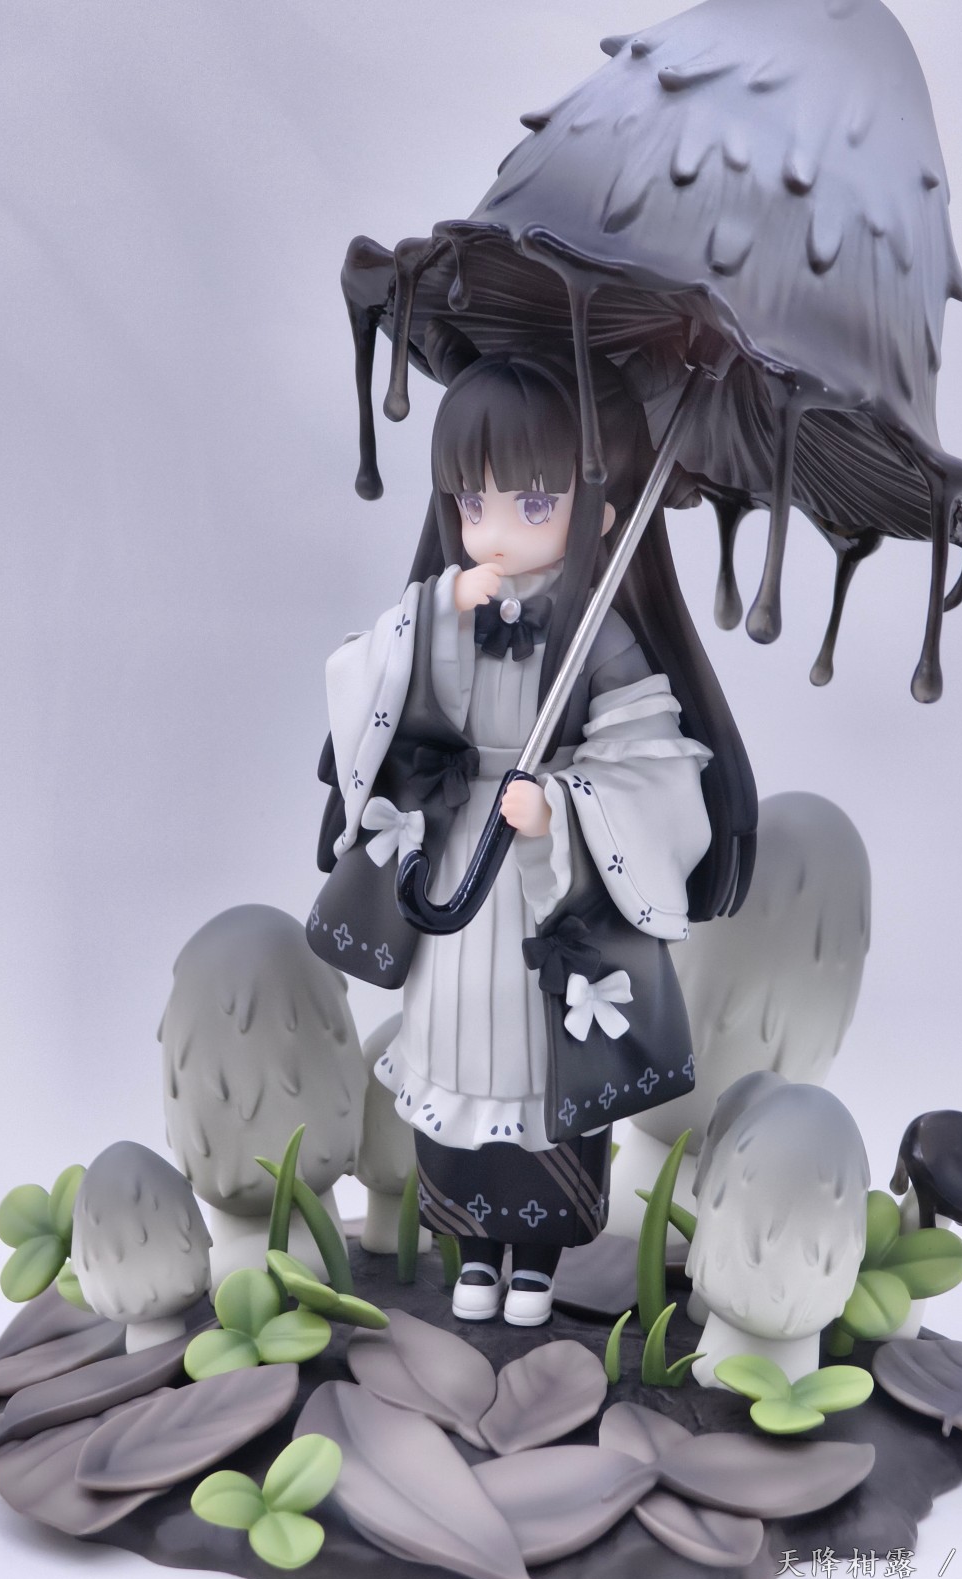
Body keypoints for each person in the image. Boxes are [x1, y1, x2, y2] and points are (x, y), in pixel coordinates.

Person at [309, 331, 755, 1326]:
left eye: (534, 505)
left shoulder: (601, 636)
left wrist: (565, 804)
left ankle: (540, 1260)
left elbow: (655, 759)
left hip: (542, 877)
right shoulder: (439, 610)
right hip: (456, 859)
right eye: (474, 504)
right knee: (453, 1047)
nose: (496, 530)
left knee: (537, 1061)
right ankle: (473, 1249)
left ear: (600, 515)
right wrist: (431, 618)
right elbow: (363, 685)